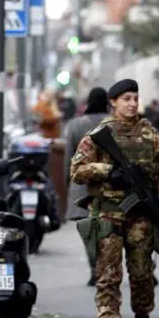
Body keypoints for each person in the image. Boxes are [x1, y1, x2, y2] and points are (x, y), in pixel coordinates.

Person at [70, 79, 159, 318]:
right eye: (126, 98)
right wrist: (107, 171)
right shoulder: (99, 134)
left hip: (140, 214)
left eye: (135, 98)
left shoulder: (150, 134)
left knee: (142, 273)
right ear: (113, 102)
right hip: (108, 213)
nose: (131, 103)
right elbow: (78, 170)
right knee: (107, 275)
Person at [64, 86, 110, 286]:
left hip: (82, 186)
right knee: (110, 230)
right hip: (110, 185)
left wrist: (69, 180)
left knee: (88, 231)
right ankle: (108, 266)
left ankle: (94, 267)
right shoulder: (114, 123)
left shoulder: (75, 125)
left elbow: (69, 158)